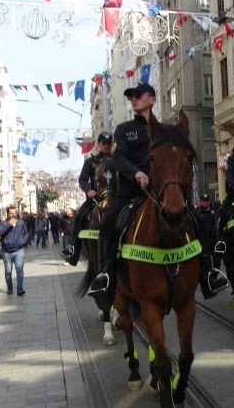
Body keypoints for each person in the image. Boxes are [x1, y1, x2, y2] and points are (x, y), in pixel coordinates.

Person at [89, 83, 156, 305]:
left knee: (193, 217)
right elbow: (119, 158)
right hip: (129, 192)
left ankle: (207, 269)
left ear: (152, 99)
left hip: (159, 191)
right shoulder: (124, 129)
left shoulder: (163, 130)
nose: (134, 99)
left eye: (138, 96)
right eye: (131, 97)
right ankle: (106, 273)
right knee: (107, 223)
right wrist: (136, 172)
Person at [68, 132, 113, 265]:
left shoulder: (117, 160)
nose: (106, 146)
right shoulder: (91, 161)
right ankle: (73, 250)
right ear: (98, 144)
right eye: (104, 143)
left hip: (114, 198)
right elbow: (82, 179)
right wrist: (89, 190)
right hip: (95, 199)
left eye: (109, 143)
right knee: (80, 216)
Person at [0, 207, 29, 296]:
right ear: (7, 213)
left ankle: (20, 289)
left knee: (19, 269)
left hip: (18, 250)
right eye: (11, 213)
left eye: (14, 213)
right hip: (7, 251)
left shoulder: (20, 222)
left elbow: (26, 233)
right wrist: (8, 224)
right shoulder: (3, 223)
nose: (13, 215)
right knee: (8, 271)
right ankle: (10, 288)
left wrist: (23, 242)